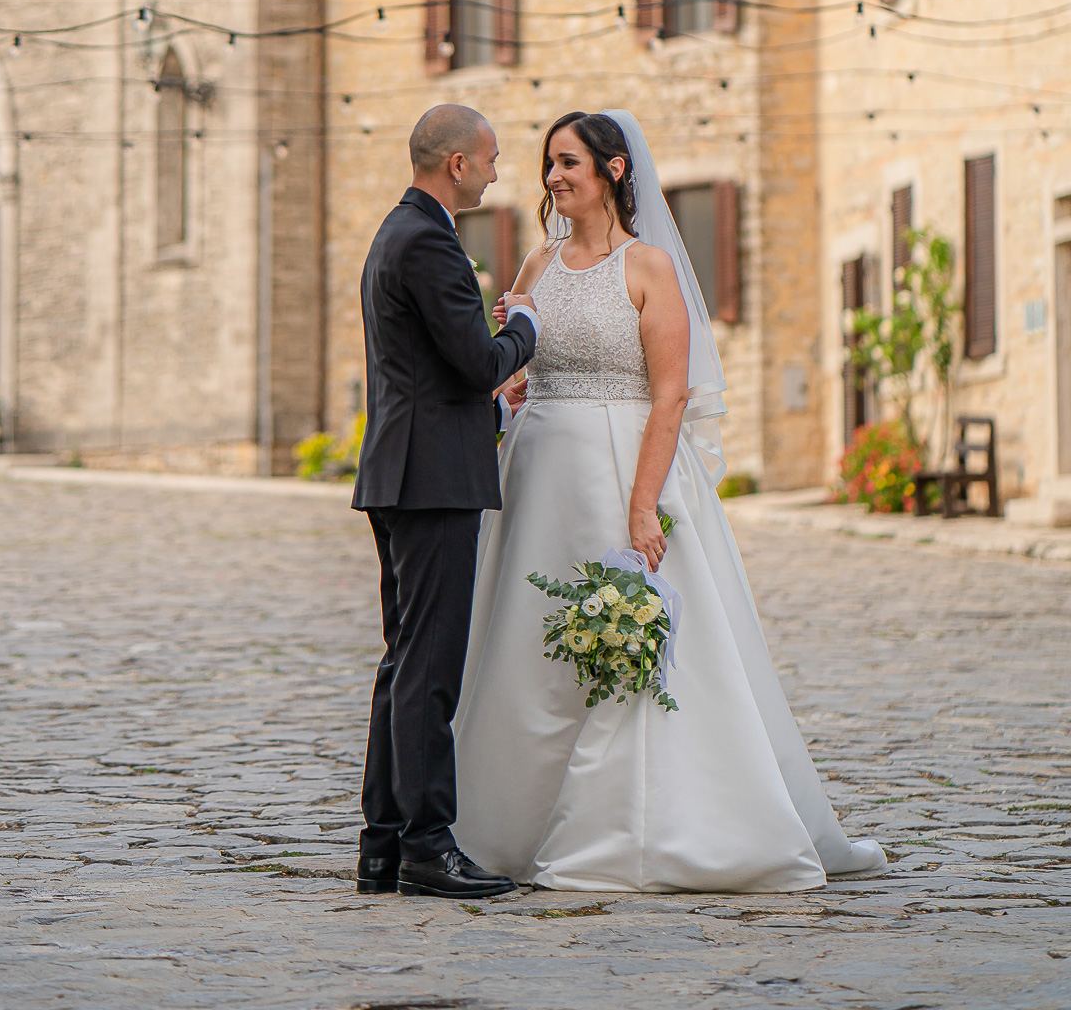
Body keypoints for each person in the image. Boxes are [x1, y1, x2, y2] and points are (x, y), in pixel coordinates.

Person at [453, 109, 886, 893]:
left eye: (569, 163)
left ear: (613, 172)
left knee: (640, 647)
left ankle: (648, 829)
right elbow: (512, 370)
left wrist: (643, 505)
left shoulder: (647, 267)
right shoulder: (535, 267)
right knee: (527, 647)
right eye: (548, 163)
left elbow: (671, 396)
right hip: (537, 482)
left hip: (623, 472)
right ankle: (508, 825)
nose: (553, 177)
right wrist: (504, 399)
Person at [352, 103, 537, 900]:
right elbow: (471, 362)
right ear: (456, 164)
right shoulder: (427, 240)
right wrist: (526, 328)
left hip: (408, 469)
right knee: (428, 672)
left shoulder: (398, 232)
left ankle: (384, 846)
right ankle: (428, 845)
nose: (497, 172)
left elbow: (433, 377)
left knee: (403, 666)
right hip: (430, 482)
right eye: (490, 158)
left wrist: (496, 413)